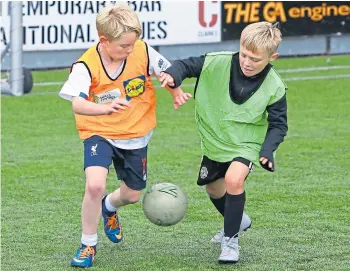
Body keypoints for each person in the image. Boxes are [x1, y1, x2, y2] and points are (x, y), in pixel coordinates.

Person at [59, 4, 191, 268]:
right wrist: (105, 108)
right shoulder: (86, 65)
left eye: (133, 45)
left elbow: (166, 73)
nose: (130, 51)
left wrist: (175, 92)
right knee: (94, 185)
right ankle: (88, 244)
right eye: (123, 47)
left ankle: (110, 206)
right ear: (104, 41)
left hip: (136, 132)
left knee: (131, 195)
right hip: (99, 131)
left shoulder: (141, 49)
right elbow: (77, 104)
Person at [159, 21, 288, 264]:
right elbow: (186, 65)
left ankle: (230, 241)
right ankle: (240, 221)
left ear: (273, 57)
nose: (247, 62)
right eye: (244, 54)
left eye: (256, 59)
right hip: (215, 141)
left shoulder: (275, 86)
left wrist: (267, 150)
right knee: (213, 189)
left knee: (233, 180)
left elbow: (279, 124)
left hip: (246, 143)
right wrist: (172, 75)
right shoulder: (216, 61)